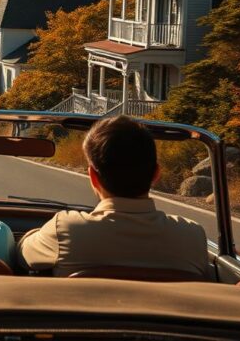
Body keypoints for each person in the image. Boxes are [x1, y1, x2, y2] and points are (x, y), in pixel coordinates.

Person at [18, 116, 208, 277]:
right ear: (156, 174)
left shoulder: (66, 229)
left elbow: (21, 254)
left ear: (93, 176)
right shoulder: (192, 237)